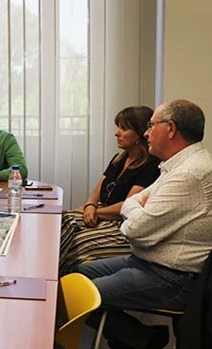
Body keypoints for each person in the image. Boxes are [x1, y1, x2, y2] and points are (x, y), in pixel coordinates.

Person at [77, 100, 212, 349]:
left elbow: (134, 229)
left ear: (170, 129)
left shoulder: (190, 173)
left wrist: (133, 209)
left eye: (151, 126)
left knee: (75, 296)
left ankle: (141, 341)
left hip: (174, 277)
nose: (146, 132)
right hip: (147, 261)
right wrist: (135, 207)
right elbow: (135, 203)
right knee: (76, 274)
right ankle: (142, 339)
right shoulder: (178, 164)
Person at [59, 106, 160, 276]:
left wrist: (94, 212)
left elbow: (127, 206)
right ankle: (45, 276)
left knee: (78, 245)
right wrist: (89, 205)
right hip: (101, 212)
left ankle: (56, 282)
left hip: (121, 224)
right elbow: (97, 189)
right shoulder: (119, 159)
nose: (117, 133)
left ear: (140, 133)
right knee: (62, 219)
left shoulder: (151, 165)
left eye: (124, 128)